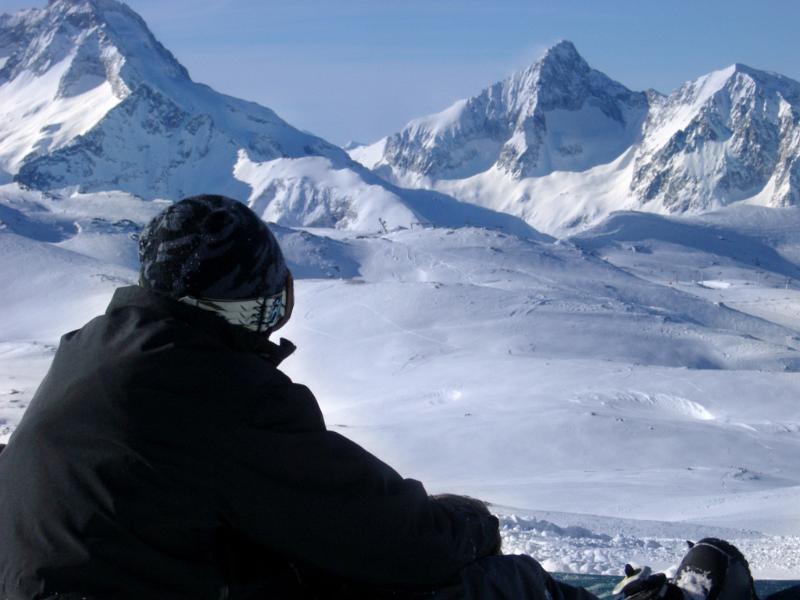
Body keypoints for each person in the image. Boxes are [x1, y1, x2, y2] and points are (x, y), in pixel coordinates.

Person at [0, 195, 771, 600]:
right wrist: (470, 530)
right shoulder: (205, 387)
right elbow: (378, 530)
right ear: (233, 304)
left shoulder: (94, 355)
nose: (267, 331)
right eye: (263, 308)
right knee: (480, 588)